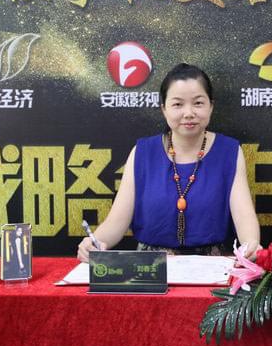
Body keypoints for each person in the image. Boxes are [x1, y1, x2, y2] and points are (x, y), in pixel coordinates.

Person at [78, 63, 260, 262]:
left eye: (198, 103)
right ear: (164, 109)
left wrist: (251, 245)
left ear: (211, 106)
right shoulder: (143, 152)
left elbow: (244, 216)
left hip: (211, 265)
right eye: (178, 104)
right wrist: (95, 242)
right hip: (149, 267)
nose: (188, 113)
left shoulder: (229, 151)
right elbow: (117, 222)